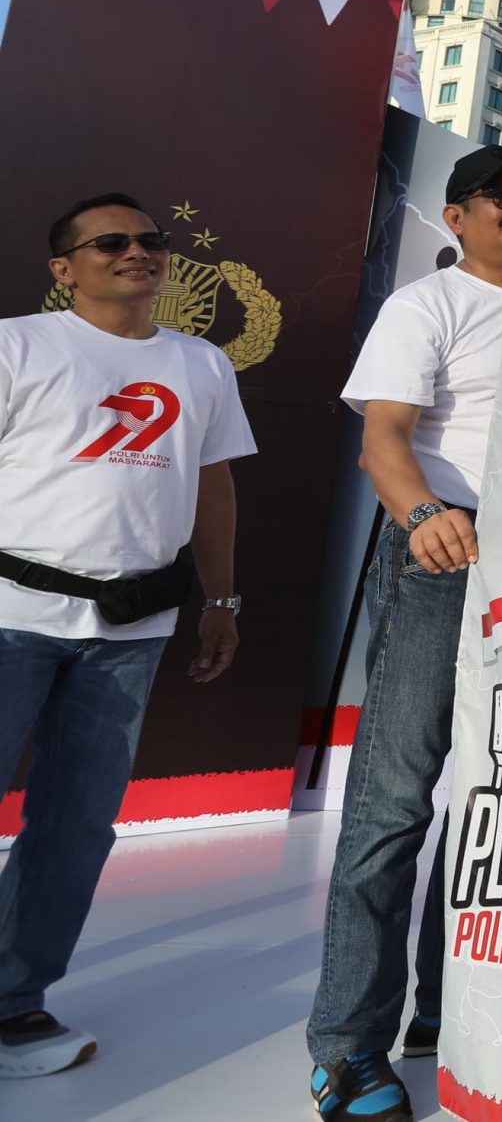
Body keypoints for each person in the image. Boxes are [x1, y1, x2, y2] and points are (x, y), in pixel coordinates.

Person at [307, 146, 502, 1122]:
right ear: (457, 216)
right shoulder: (426, 306)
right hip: (438, 567)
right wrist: (422, 520)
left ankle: (449, 1016)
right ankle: (346, 1049)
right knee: (392, 810)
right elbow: (383, 438)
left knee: (501, 808)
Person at [0, 195, 252, 1081]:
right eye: (111, 242)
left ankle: (13, 1002)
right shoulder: (15, 345)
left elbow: (211, 486)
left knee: (75, 825)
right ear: (64, 267)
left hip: (133, 630)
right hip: (11, 616)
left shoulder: (202, 362)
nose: (137, 251)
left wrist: (220, 599)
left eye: (151, 240)